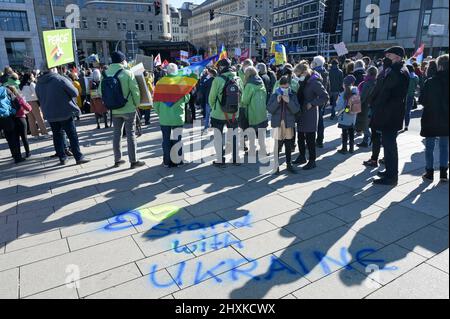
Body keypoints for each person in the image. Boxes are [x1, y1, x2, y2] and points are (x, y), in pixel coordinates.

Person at [369, 46, 410, 185]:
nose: (386, 58)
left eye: (389, 55)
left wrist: (375, 104)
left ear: (398, 57)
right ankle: (389, 171)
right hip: (389, 113)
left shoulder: (397, 72)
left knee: (390, 146)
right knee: (388, 145)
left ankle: (391, 177)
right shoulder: (394, 70)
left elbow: (384, 91)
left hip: (390, 114)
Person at [35, 65, 90, 165]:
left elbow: (39, 98)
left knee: (57, 136)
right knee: (72, 135)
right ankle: (78, 157)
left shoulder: (38, 83)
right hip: (64, 111)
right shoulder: (59, 79)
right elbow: (75, 92)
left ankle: (62, 158)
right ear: (52, 69)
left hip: (50, 113)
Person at [100, 51, 144, 169]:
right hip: (128, 108)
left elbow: (100, 92)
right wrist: (137, 104)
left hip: (114, 110)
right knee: (130, 134)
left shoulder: (104, 73)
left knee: (116, 134)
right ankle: (133, 161)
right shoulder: (127, 73)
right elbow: (135, 91)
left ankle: (117, 159)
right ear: (122, 60)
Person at [293, 61, 329, 169]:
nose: (298, 77)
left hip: (310, 113)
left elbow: (325, 96)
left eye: (299, 75)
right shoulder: (304, 82)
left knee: (310, 138)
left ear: (304, 72)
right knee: (300, 136)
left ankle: (312, 160)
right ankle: (302, 156)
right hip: (301, 112)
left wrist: (312, 103)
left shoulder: (314, 82)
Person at [419, 54, 449, 183]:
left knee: (429, 146)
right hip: (447, 118)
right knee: (444, 146)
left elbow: (422, 100)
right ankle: (443, 173)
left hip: (431, 117)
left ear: (439, 66)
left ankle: (429, 172)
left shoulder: (430, 81)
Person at [208, 58, 243, 167]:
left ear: (221, 68)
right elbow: (241, 97)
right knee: (234, 136)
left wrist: (214, 107)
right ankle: (236, 158)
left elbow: (211, 98)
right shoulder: (238, 78)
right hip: (233, 114)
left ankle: (220, 160)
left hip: (218, 114)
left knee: (218, 137)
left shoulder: (217, 80)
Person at [154, 63, 189, 168]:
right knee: (177, 139)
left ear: (167, 71)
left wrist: (160, 113)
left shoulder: (160, 83)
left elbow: (155, 102)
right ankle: (178, 161)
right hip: (178, 116)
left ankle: (166, 162)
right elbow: (186, 98)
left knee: (166, 139)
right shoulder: (181, 82)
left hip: (165, 117)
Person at [267, 76, 300, 174]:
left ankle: (289, 164)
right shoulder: (274, 94)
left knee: (288, 144)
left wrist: (288, 101)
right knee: (277, 144)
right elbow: (269, 109)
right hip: (278, 123)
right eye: (282, 87)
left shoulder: (292, 95)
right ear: (279, 86)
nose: (284, 90)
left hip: (288, 122)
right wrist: (277, 101)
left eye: (285, 88)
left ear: (289, 86)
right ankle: (276, 166)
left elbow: (296, 109)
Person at [241, 66, 268, 157]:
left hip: (253, 111)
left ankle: (252, 149)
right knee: (261, 132)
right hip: (262, 111)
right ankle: (263, 149)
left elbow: (245, 100)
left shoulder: (249, 85)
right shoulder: (261, 82)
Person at [335, 75, 360, 154]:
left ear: (344, 84)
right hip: (353, 116)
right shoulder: (356, 92)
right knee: (351, 132)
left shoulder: (343, 94)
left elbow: (338, 106)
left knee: (345, 133)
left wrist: (337, 110)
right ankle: (351, 148)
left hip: (344, 116)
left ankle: (344, 148)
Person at [19, 72, 49, 138]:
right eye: (32, 76)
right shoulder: (31, 84)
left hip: (25, 103)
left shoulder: (21, 85)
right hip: (33, 102)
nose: (33, 77)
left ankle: (35, 134)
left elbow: (20, 95)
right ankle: (45, 133)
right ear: (29, 77)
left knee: (31, 119)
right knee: (39, 118)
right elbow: (36, 93)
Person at [0, 86, 24, 163]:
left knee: (8, 136)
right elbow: (15, 102)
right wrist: (13, 111)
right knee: (13, 136)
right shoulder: (5, 89)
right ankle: (17, 156)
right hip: (7, 116)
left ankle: (15, 155)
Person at [7, 86, 32, 158]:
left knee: (16, 138)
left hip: (12, 120)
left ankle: (19, 155)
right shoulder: (19, 98)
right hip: (21, 119)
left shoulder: (7, 100)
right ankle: (28, 153)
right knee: (24, 137)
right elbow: (29, 108)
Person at [356, 66, 378, 148]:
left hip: (366, 106)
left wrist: (358, 105)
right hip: (374, 105)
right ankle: (367, 141)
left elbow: (363, 96)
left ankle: (369, 139)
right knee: (369, 124)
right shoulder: (377, 82)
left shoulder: (367, 83)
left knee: (365, 124)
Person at [311, 56, 329, 148]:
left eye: (313, 62)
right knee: (320, 120)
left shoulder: (315, 73)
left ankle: (315, 140)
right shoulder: (325, 72)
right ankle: (320, 140)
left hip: (316, 99)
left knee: (315, 121)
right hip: (323, 99)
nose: (312, 63)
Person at [198, 67, 216, 132]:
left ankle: (206, 127)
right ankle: (214, 127)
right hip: (216, 100)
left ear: (211, 74)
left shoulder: (208, 80)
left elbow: (202, 88)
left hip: (208, 99)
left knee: (207, 115)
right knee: (214, 115)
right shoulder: (217, 80)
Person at [404, 64, 420, 131]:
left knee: (401, 110)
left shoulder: (404, 76)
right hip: (411, 95)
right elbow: (416, 87)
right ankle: (406, 126)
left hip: (403, 95)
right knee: (408, 111)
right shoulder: (416, 77)